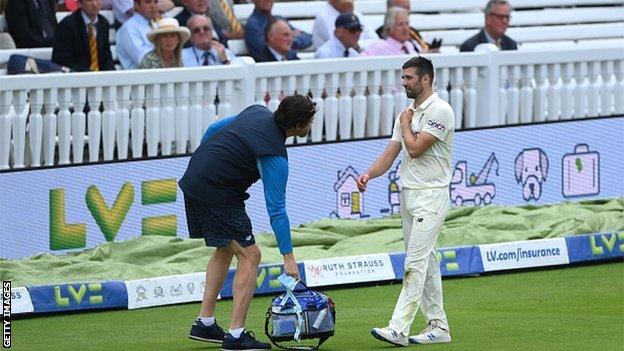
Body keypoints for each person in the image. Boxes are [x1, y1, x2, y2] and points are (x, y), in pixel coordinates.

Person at [180, 94, 317, 351]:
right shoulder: (274, 156)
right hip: (216, 191)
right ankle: (235, 336)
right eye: (310, 121)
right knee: (250, 255)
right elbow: (276, 210)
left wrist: (208, 161)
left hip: (194, 179)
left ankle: (205, 323)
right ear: (299, 126)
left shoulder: (257, 110)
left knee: (225, 247)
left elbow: (212, 129)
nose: (311, 125)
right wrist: (288, 257)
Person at [360, 56, 454, 346]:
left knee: (414, 263)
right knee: (427, 262)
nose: (404, 83)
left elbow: (414, 149)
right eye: (403, 78)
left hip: (432, 195)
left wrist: (405, 122)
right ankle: (438, 327)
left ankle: (398, 328)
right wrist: (368, 175)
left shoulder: (441, 110)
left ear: (426, 79)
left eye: (409, 78)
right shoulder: (408, 113)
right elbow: (391, 155)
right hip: (409, 194)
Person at [52, 0, 115, 72]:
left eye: (97, 0)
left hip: (100, 77)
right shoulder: (68, 25)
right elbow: (61, 60)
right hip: (76, 77)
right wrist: (89, 73)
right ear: (79, 4)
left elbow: (107, 57)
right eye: (89, 1)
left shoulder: (103, 23)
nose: (94, 4)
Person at [244, 0, 312, 61]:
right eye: (285, 35)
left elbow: (308, 37)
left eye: (290, 34)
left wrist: (284, 40)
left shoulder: (279, 20)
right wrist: (287, 40)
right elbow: (265, 52)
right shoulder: (253, 25)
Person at [375, 0, 441, 53]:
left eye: (408, 8)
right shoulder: (379, 36)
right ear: (389, 9)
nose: (406, 12)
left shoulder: (412, 32)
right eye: (402, 8)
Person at [311, 0, 378, 49]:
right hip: (331, 62)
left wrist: (358, 45)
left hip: (356, 59)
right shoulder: (323, 16)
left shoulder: (356, 13)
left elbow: (376, 42)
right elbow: (341, 44)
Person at [116, 0, 160, 69]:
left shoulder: (155, 25)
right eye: (148, 2)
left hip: (157, 75)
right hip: (136, 78)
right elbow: (144, 61)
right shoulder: (129, 28)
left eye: (156, 2)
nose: (153, 6)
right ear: (136, 5)